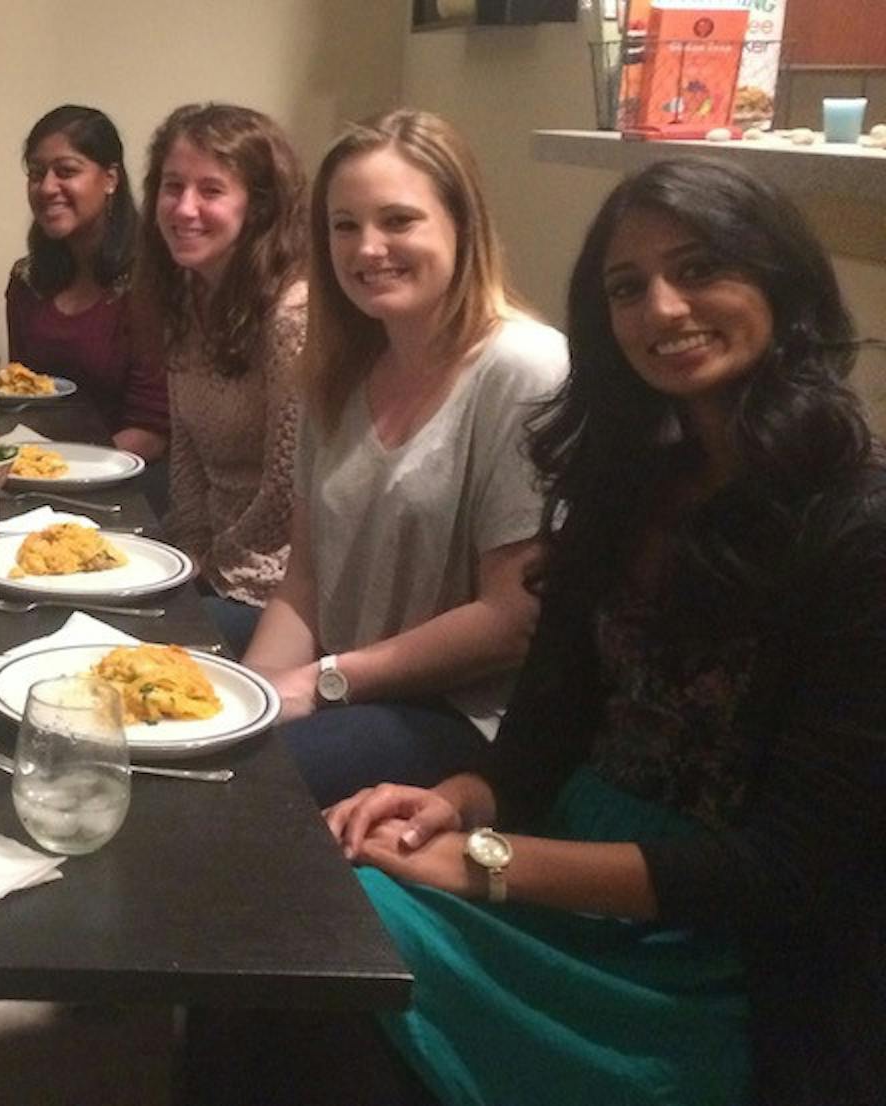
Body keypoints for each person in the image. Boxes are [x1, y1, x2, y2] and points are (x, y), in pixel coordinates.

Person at [325, 158, 885, 1105]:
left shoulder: (857, 535)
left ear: (782, 284)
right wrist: (452, 803)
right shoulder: (628, 490)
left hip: (715, 960)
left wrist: (491, 863)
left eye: (700, 268)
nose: (664, 309)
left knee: (336, 964)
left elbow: (789, 874)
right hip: (560, 865)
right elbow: (542, 738)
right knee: (313, 924)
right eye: (628, 289)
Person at [240, 109, 566, 806]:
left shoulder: (524, 369)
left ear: (461, 225)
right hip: (349, 675)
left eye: (399, 220)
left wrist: (324, 681)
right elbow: (304, 580)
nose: (368, 248)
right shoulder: (337, 372)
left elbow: (512, 620)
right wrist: (253, 701)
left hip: (463, 716)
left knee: (244, 790)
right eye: (345, 225)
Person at [135, 103, 309, 650]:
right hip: (208, 558)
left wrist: (208, 569)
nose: (184, 208)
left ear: (257, 207)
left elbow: (287, 487)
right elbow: (185, 450)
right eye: (172, 186)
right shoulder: (189, 293)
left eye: (211, 190)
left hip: (274, 587)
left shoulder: (292, 316)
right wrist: (186, 550)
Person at [6, 105, 167, 461]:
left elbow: (153, 430)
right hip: (39, 469)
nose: (47, 187)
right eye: (36, 173)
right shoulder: (27, 279)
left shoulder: (151, 280)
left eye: (66, 171)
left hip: (128, 480)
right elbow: (22, 395)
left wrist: (61, 466)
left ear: (110, 179)